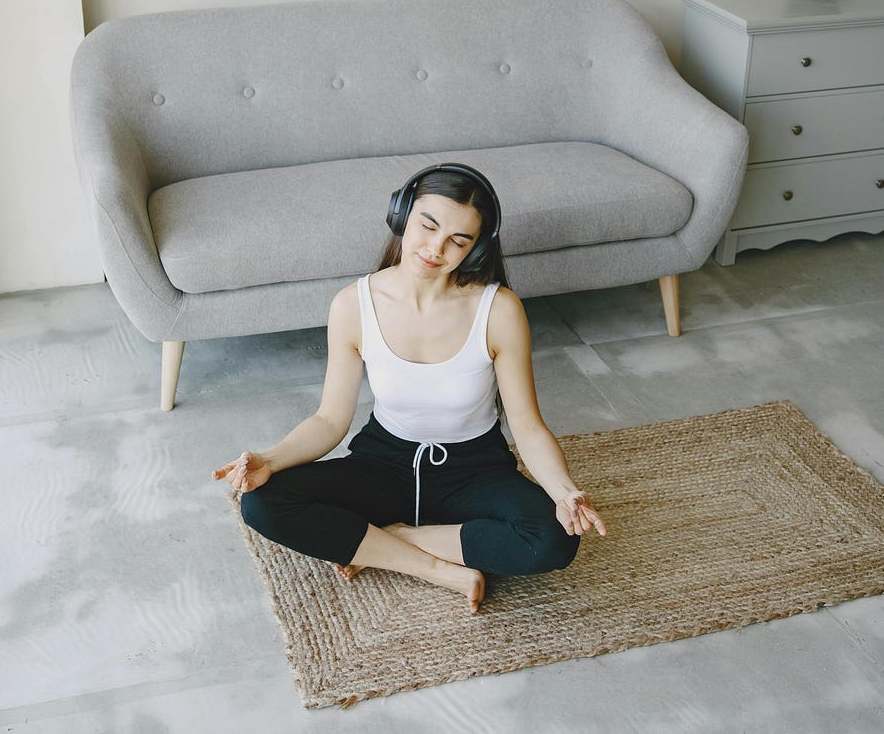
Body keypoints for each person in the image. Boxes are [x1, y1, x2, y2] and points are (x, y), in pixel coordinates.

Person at [212, 164, 606, 613]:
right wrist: (271, 458)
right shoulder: (353, 305)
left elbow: (528, 425)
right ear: (403, 214)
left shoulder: (497, 309)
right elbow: (329, 419)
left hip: (474, 470)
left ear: (476, 248)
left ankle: (390, 540)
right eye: (429, 225)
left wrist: (562, 491)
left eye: (459, 240)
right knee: (262, 503)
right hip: (384, 463)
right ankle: (433, 566)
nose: (436, 248)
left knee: (554, 539)